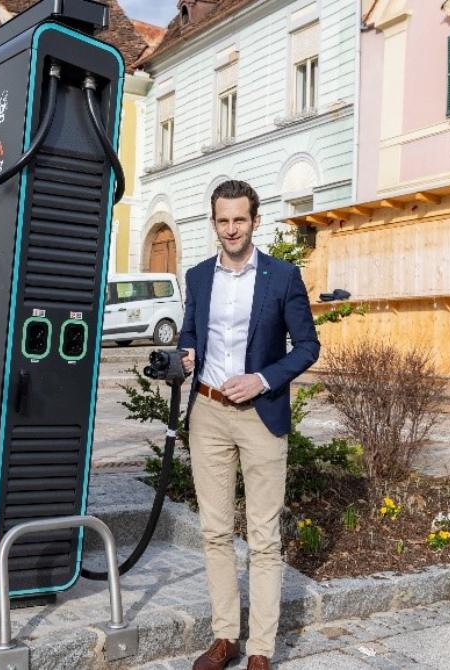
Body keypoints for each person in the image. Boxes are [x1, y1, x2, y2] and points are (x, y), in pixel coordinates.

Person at [179, 180, 320, 670]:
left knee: (264, 537)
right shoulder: (198, 277)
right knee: (215, 532)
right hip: (209, 414)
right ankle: (225, 638)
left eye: (240, 219)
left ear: (255, 221)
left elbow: (307, 347)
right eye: (223, 220)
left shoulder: (282, 277)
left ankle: (260, 648)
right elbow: (189, 334)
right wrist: (184, 354)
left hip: (262, 415)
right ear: (213, 223)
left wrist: (262, 379)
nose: (232, 228)